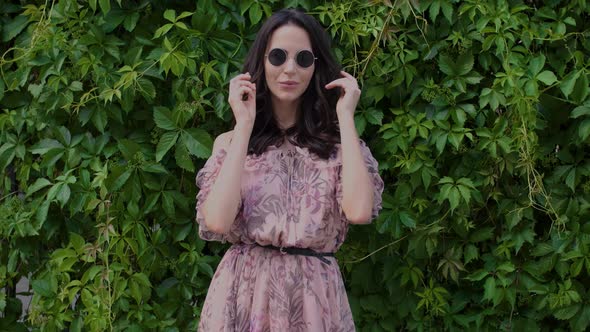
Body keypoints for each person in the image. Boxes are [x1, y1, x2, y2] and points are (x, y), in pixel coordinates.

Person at [195, 8, 384, 331]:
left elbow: (360, 211)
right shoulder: (232, 141)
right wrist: (244, 125)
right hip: (244, 294)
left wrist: (347, 117)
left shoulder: (340, 146)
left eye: (304, 59)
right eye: (278, 57)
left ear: (317, 66)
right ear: (262, 62)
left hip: (313, 300)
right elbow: (216, 221)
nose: (289, 69)